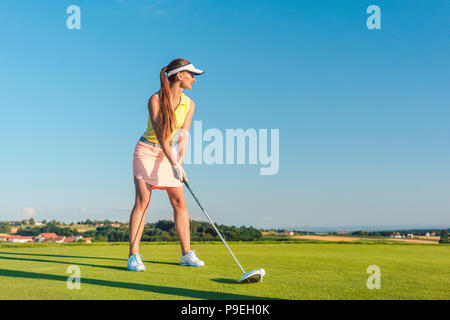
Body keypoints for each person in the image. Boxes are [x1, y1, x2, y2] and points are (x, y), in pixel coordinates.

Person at [127, 58, 205, 271]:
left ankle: (186, 254)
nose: (194, 80)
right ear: (180, 75)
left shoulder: (190, 104)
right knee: (143, 200)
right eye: (192, 75)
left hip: (169, 153)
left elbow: (183, 135)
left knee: (179, 200)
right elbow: (161, 136)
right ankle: (134, 256)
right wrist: (173, 163)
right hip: (147, 150)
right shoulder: (155, 99)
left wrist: (180, 162)